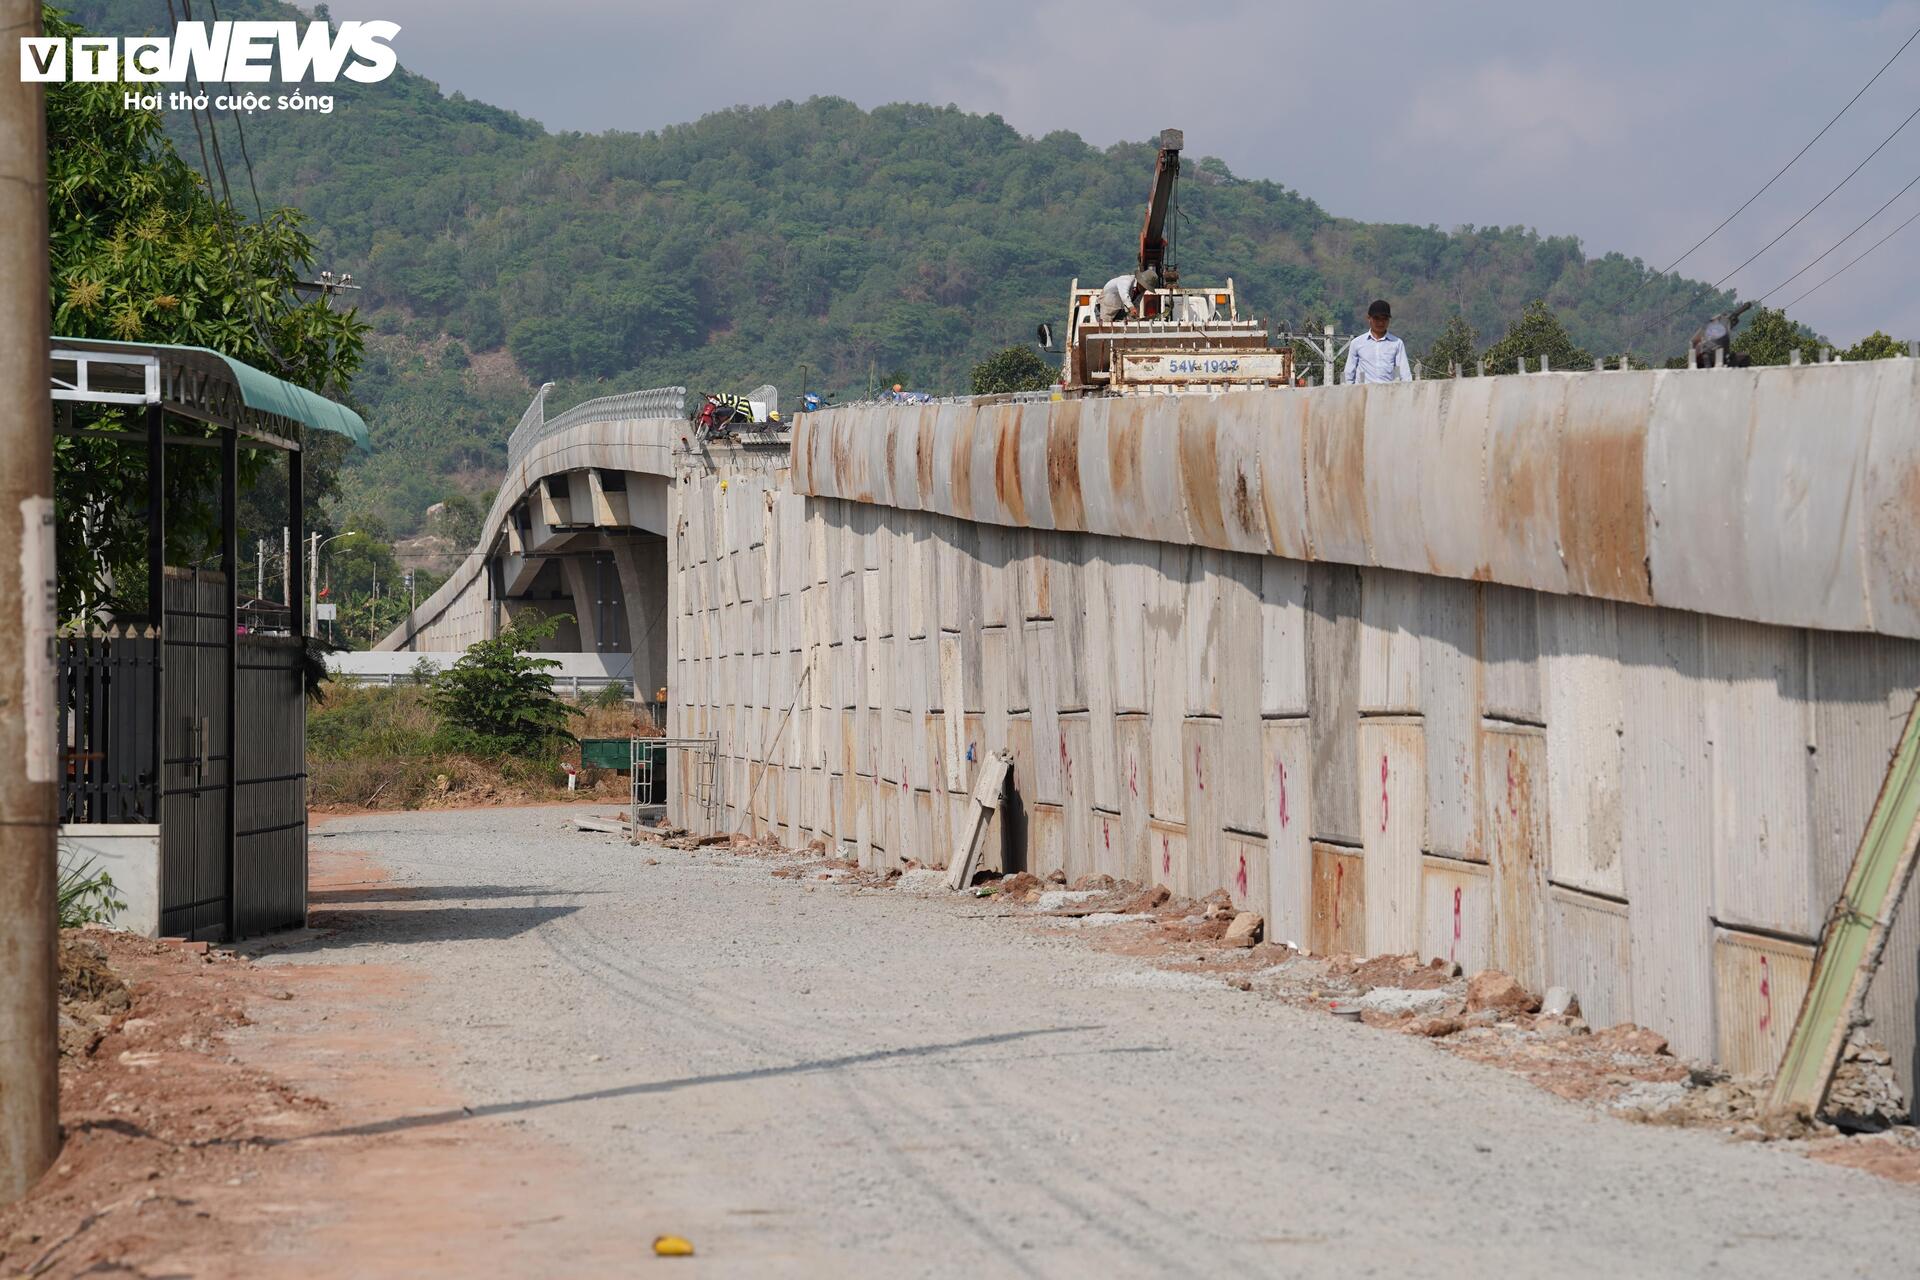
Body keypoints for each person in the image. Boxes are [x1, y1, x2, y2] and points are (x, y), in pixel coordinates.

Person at [1343, 299, 1412, 384]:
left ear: (1388, 320)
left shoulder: (1397, 343)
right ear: (1369, 318)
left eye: (1384, 319)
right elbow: (1349, 373)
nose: (1380, 322)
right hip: (1364, 394)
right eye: (1376, 318)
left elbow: (1405, 374)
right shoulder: (1357, 343)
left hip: (1388, 393)